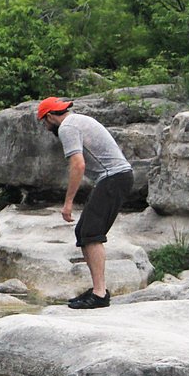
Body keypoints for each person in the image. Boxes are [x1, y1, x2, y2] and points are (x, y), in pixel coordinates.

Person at [36, 97, 133, 309]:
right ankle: (99, 289)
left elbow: (78, 165)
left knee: (91, 233)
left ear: (51, 116)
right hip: (114, 177)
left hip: (113, 177)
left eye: (44, 122)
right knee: (83, 231)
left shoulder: (67, 127)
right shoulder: (79, 120)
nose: (45, 127)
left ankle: (99, 294)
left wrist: (68, 202)